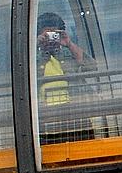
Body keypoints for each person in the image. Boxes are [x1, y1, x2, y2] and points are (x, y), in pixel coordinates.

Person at [36, 12, 97, 144]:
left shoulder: (69, 54)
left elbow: (92, 66)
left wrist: (69, 44)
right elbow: (22, 71)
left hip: (74, 111)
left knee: (83, 147)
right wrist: (35, 45)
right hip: (45, 116)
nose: (51, 38)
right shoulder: (33, 58)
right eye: (47, 35)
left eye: (54, 34)